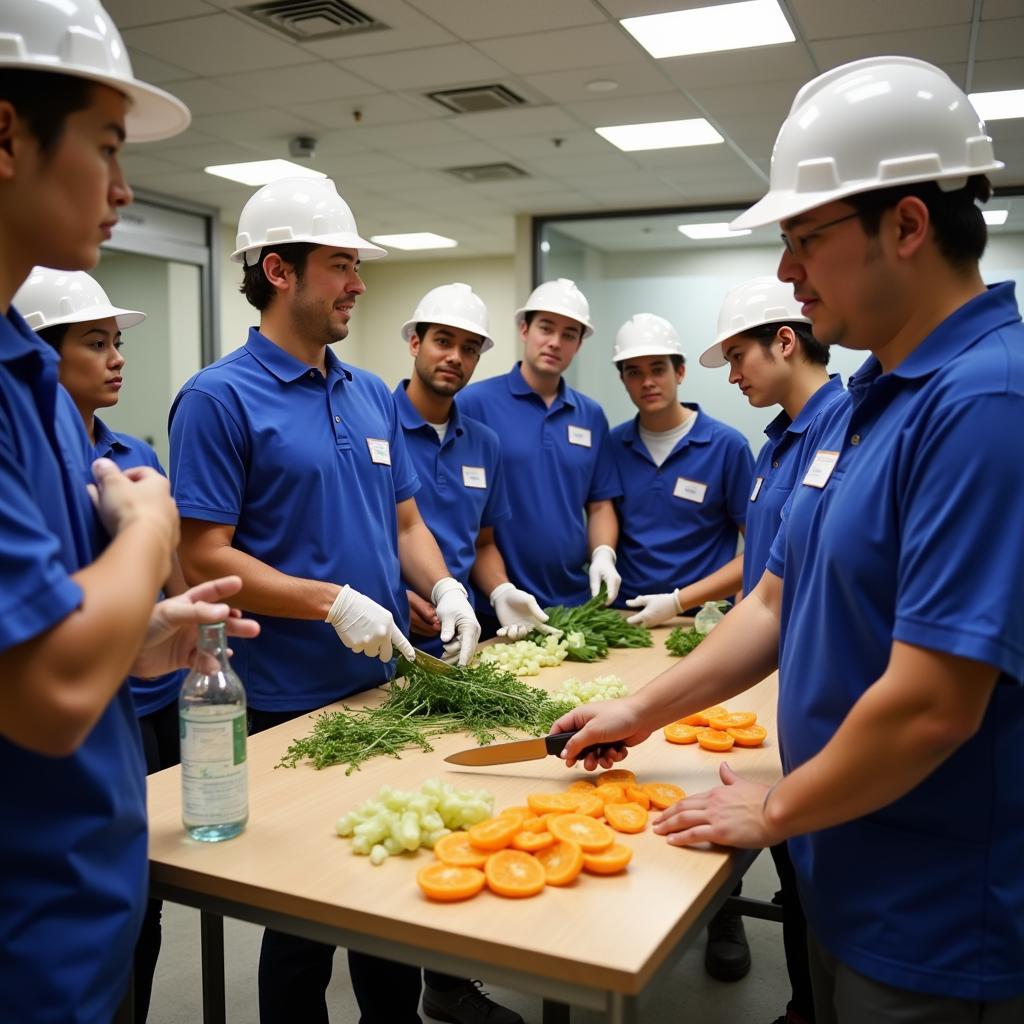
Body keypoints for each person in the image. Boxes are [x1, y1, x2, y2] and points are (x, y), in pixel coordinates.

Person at [554, 56, 1024, 1024]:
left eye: (805, 236)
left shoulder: (984, 402)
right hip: (844, 851)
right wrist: (637, 708)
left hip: (932, 912)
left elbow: (934, 702)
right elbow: (774, 599)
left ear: (905, 225)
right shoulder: (870, 400)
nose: (783, 270)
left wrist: (772, 810)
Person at [169, 176, 482, 1024]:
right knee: (301, 921)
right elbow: (202, 552)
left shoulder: (369, 392)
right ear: (279, 270)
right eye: (342, 265)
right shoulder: (218, 398)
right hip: (284, 702)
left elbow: (407, 519)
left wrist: (444, 581)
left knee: (384, 902)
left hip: (381, 691)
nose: (358, 283)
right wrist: (331, 600)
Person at [0, 4, 257, 1023]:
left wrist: (143, 637)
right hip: (24, 937)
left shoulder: (29, 385)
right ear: (8, 134)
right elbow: (49, 688)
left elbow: (51, 623)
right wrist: (149, 529)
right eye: (105, 147)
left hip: (80, 894)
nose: (123, 187)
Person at [628, 279, 843, 1023]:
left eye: (739, 354)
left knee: (809, 869)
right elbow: (766, 594)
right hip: (773, 683)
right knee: (796, 872)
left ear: (786, 340)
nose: (734, 373)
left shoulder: (845, 427)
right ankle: (804, 1005)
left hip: (811, 689)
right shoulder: (780, 441)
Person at [15, 265, 192, 1022]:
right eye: (97, 343)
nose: (117, 358)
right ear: (39, 356)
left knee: (140, 898)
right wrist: (148, 530)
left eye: (117, 342)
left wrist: (174, 623)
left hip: (138, 703)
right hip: (64, 761)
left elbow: (167, 584)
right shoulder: (27, 455)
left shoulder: (134, 456)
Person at [393, 281, 551, 1022]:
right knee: (399, 811)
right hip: (392, 642)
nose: (454, 357)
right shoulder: (373, 421)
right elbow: (385, 530)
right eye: (441, 341)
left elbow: (483, 544)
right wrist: (414, 596)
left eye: (468, 347)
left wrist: (496, 592)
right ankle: (410, 969)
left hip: (464, 644)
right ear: (414, 341)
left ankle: (445, 980)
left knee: (456, 808)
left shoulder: (482, 442)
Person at [458, 278, 622, 615]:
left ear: (578, 345)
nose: (555, 342)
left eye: (569, 335)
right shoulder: (474, 404)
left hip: (575, 601)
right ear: (524, 329)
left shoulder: (590, 415)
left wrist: (604, 553)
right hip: (499, 603)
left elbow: (600, 503)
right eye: (546, 328)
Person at [609, 312, 753, 615]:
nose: (647, 382)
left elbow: (758, 544)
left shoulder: (727, 446)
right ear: (622, 380)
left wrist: (682, 602)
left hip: (701, 617)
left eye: (658, 369)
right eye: (634, 372)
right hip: (624, 617)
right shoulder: (612, 445)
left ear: (680, 372)